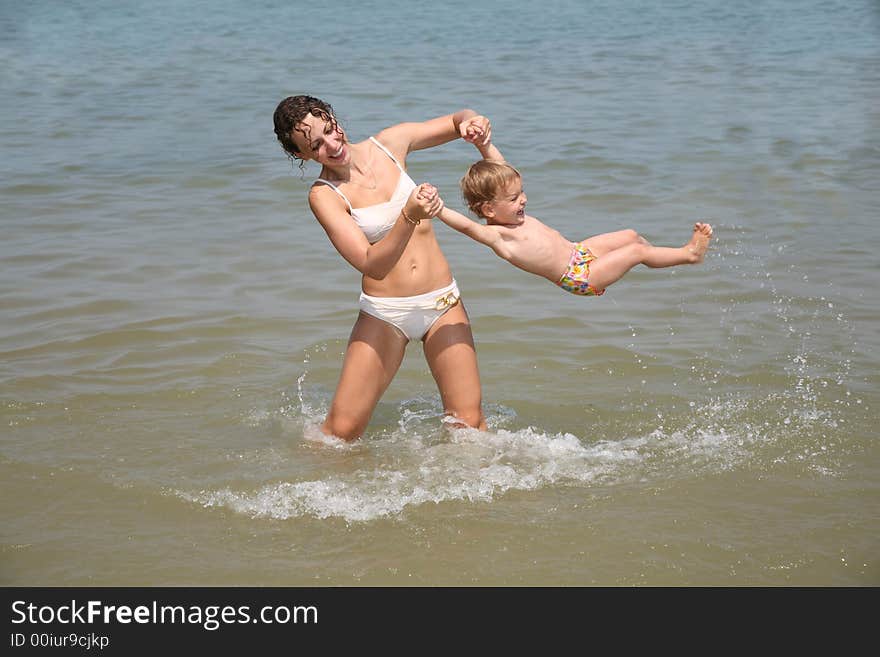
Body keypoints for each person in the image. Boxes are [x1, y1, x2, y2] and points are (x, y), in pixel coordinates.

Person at [272, 95, 490, 441]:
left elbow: (457, 119)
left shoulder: (390, 144)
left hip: (442, 302)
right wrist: (409, 216)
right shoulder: (324, 195)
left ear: (333, 118)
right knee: (340, 433)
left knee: (470, 424)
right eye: (317, 144)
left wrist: (470, 122)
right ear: (301, 154)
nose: (332, 143)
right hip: (386, 313)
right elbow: (372, 264)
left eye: (331, 129)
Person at [436, 136, 713, 297]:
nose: (524, 200)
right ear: (489, 210)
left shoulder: (512, 215)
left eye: (522, 192)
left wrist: (484, 144)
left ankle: (659, 259)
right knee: (636, 251)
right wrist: (438, 209)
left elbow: (501, 166)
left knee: (630, 235)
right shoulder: (499, 235)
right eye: (514, 198)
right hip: (580, 277)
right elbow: (466, 227)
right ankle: (689, 255)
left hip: (580, 252)